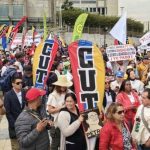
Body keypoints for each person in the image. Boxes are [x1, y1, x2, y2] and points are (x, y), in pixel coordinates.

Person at [47, 75, 73, 150]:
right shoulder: (53, 95)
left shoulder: (69, 92)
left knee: (67, 142)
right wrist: (62, 107)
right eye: (62, 85)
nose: (63, 87)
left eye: (65, 85)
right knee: (56, 143)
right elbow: (49, 110)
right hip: (57, 124)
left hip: (69, 121)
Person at [4, 74, 26, 139]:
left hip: (25, 126)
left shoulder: (24, 92)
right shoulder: (8, 95)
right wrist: (14, 124)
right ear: (13, 84)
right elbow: (8, 112)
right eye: (18, 83)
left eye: (21, 82)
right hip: (14, 127)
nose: (20, 84)